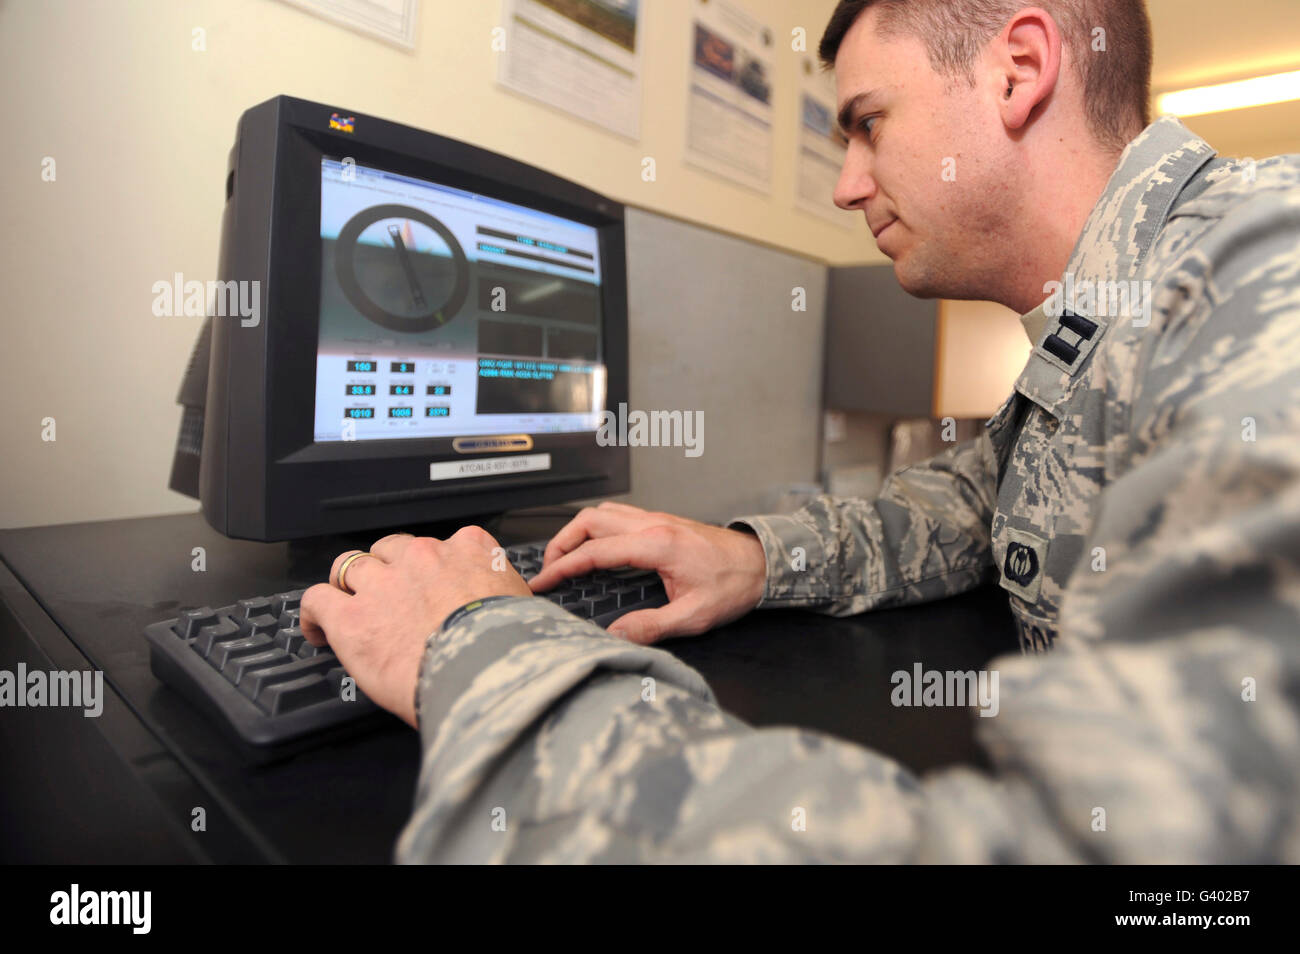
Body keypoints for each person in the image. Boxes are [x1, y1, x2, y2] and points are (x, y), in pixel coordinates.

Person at [299, 0, 1300, 862]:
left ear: (1019, 70)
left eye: (866, 123)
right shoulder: (1102, 326)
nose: (845, 184)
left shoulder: (1258, 278)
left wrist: (491, 667)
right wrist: (752, 558)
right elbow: (974, 503)